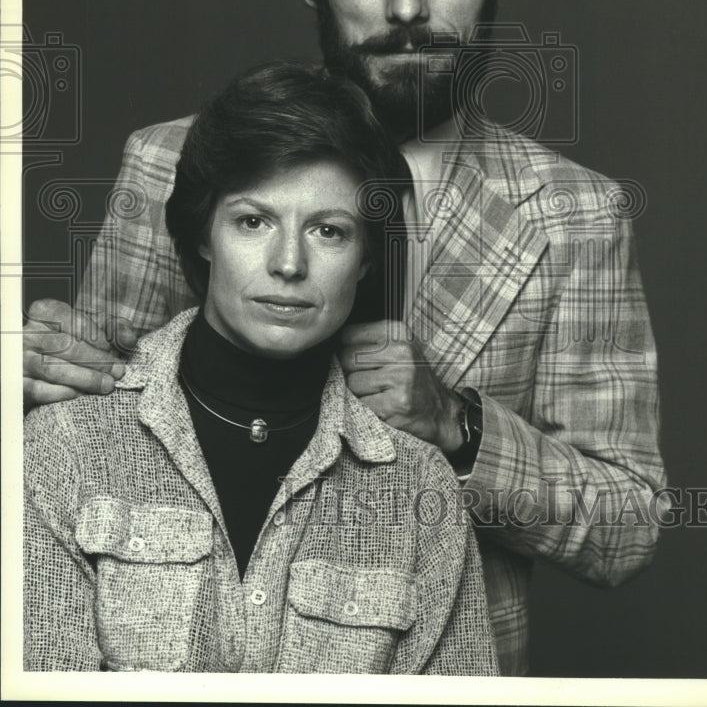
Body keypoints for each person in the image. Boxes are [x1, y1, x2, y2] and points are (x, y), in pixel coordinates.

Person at [23, 0, 667, 675]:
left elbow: (627, 525)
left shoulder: (574, 217)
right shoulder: (171, 165)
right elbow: (88, 439)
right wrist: (31, 378)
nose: (407, 6)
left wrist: (459, 426)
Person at [24, 62, 498, 674]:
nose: (289, 264)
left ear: (363, 260)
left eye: (329, 231)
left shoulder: (419, 488)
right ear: (203, 234)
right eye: (254, 221)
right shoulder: (63, 449)